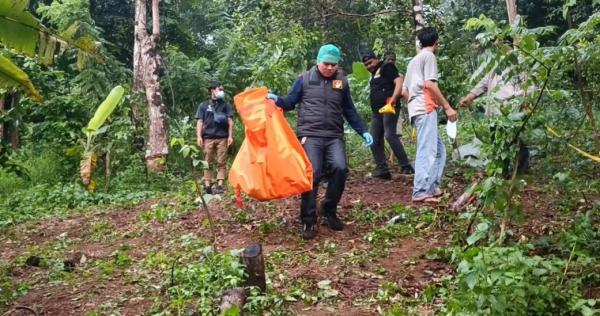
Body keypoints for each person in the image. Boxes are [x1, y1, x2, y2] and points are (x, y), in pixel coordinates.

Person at [267, 44, 373, 240]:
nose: (330, 68)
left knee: (340, 169)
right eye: (326, 64)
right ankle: (308, 219)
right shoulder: (304, 79)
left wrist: (363, 130)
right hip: (311, 134)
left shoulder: (342, 82)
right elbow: (290, 102)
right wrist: (276, 100)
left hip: (334, 135)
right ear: (318, 61)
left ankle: (329, 210)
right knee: (312, 174)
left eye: (334, 65)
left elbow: (349, 110)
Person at [402, 27, 458, 203]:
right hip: (425, 109)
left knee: (439, 150)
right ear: (436, 43)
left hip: (417, 109)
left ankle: (432, 187)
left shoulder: (413, 61)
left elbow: (404, 90)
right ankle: (420, 191)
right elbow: (430, 85)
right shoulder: (429, 56)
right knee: (427, 150)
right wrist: (448, 107)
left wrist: (413, 104)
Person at [459, 68, 530, 176]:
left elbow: (528, 87)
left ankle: (519, 171)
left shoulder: (520, 67)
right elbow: (483, 83)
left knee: (512, 140)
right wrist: (469, 97)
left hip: (510, 112)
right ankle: (503, 173)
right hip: (494, 113)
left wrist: (523, 101)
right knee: (497, 142)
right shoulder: (497, 66)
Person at [362, 52, 414, 179]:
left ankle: (406, 165)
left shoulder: (387, 67)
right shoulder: (374, 73)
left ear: (377, 59)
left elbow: (399, 82)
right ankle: (382, 169)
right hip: (377, 111)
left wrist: (394, 98)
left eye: (370, 63)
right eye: (366, 65)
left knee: (390, 135)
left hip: (389, 106)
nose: (369, 66)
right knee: (373, 139)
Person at [196, 81, 234, 194]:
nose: (222, 92)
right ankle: (207, 185)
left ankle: (220, 185)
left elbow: (230, 121)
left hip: (222, 137)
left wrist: (230, 136)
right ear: (213, 90)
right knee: (207, 162)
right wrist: (199, 136)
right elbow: (200, 121)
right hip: (208, 137)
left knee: (221, 161)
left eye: (222, 90)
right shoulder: (203, 105)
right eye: (219, 89)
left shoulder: (226, 105)